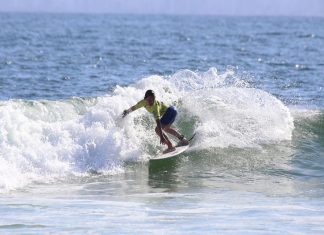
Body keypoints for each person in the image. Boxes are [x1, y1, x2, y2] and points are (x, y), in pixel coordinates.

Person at [122, 89, 189, 153]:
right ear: (145, 98)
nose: (151, 101)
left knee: (157, 130)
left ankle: (170, 146)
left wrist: (162, 137)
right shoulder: (142, 102)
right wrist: (127, 112)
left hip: (170, 111)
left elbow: (158, 122)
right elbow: (134, 107)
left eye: (153, 99)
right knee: (166, 128)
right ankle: (183, 140)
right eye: (149, 99)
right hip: (172, 110)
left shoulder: (155, 106)